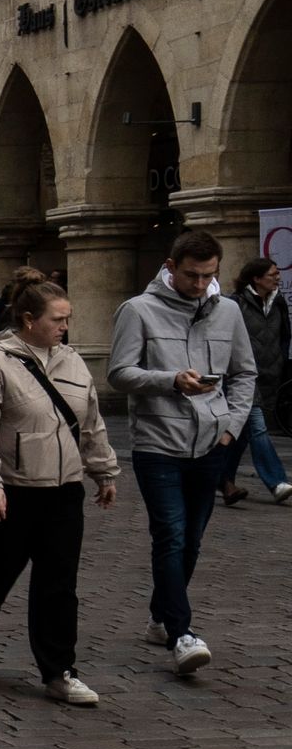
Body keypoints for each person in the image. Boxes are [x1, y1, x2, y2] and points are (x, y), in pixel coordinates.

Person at [0, 273, 118, 703]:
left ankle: (59, 671)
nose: (65, 326)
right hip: (12, 488)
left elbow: (91, 422)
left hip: (64, 489)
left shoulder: (73, 361)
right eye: (58, 319)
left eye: (67, 318)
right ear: (28, 319)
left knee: (59, 583)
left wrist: (103, 470)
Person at [108, 230, 255, 677]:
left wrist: (230, 428)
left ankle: (160, 616)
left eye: (208, 275)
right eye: (192, 275)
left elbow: (245, 374)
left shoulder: (228, 311)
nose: (200, 284)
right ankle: (181, 633)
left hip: (211, 443)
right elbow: (119, 372)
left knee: (192, 538)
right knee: (170, 535)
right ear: (171, 267)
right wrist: (170, 380)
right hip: (158, 442)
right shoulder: (138, 310)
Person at [221, 258, 292, 504]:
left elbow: (284, 336)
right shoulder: (236, 303)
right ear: (256, 278)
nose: (278, 278)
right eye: (272, 274)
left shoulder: (278, 302)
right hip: (242, 378)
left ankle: (224, 481)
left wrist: (281, 363)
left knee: (241, 435)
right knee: (258, 426)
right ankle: (277, 482)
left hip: (269, 376)